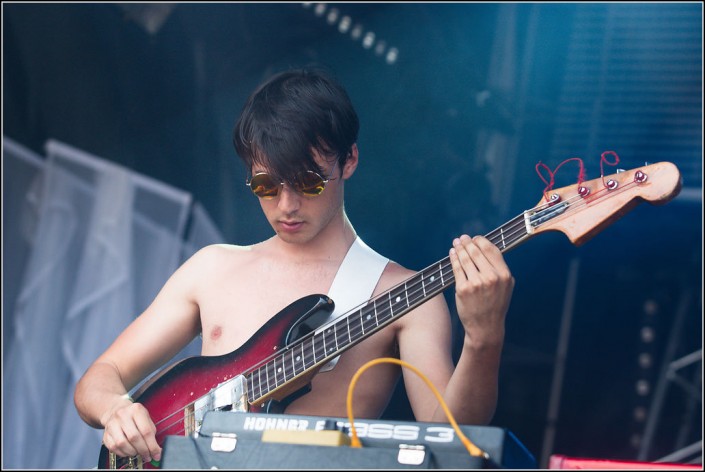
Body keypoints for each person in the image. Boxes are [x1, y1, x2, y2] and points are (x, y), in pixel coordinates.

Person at [74, 67, 515, 465]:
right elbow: (99, 378)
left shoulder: (408, 297)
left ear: (349, 160)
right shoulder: (211, 269)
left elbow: (450, 445)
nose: (286, 205)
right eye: (266, 185)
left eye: (308, 181)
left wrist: (484, 338)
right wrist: (117, 410)